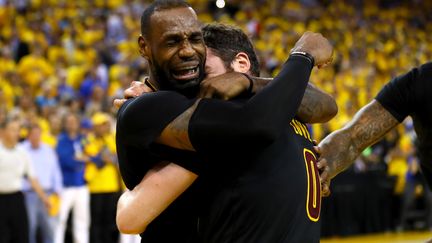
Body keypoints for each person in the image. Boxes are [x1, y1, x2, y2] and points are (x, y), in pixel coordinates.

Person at [115, 1, 333, 242]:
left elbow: (327, 105)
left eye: (204, 71)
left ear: (241, 64)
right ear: (144, 47)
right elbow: (129, 217)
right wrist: (303, 56)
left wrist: (250, 82)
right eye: (172, 41)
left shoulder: (273, 108)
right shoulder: (151, 107)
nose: (189, 54)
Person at [318, 62, 432, 196]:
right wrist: (317, 169)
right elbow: (352, 139)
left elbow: (352, 140)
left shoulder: (418, 81)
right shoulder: (419, 81)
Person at [0, 117, 51, 243]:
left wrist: (44, 198)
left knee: (21, 235)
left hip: (17, 198)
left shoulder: (22, 152)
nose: (16, 133)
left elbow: (32, 177)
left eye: (17, 130)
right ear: (2, 132)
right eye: (12, 130)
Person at [20, 124, 63, 243]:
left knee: (49, 228)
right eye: (33, 134)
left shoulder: (48, 149)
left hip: (49, 193)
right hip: (28, 194)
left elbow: (55, 170)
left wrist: (58, 189)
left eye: (38, 134)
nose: (36, 137)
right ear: (28, 136)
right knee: (30, 227)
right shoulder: (21, 149)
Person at [84, 112, 121, 243]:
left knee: (110, 219)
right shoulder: (88, 139)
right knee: (96, 220)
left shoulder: (112, 138)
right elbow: (96, 159)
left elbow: (117, 158)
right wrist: (107, 157)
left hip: (111, 185)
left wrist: (108, 157)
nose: (105, 127)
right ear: (95, 126)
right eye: (101, 125)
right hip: (96, 186)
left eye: (106, 124)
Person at [54, 113, 90, 243]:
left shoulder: (83, 139)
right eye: (68, 121)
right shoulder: (61, 140)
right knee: (60, 220)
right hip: (66, 186)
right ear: (64, 124)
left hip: (82, 186)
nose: (71, 124)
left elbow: (92, 155)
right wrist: (82, 160)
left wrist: (84, 159)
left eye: (74, 121)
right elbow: (65, 160)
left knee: (82, 220)